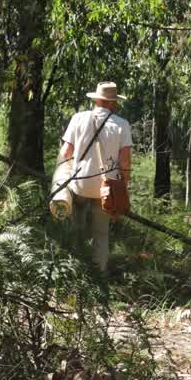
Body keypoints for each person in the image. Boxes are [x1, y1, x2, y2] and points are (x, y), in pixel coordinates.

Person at [58, 81, 132, 273]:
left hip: (79, 184)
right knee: (101, 233)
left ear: (97, 99)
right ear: (114, 103)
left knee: (77, 229)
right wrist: (124, 185)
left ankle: (75, 271)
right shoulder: (122, 125)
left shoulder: (78, 119)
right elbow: (125, 162)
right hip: (106, 189)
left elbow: (66, 153)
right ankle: (99, 275)